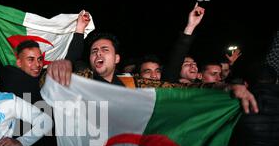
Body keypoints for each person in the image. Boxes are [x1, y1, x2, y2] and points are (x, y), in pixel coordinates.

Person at [0, 0, 89, 146]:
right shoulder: (7, 76)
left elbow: (70, 60)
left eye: (40, 59)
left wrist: (79, 29)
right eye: (30, 59)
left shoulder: (49, 77)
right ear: (18, 62)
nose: (37, 64)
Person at [46, 32, 258, 114]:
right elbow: (46, 90)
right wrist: (54, 70)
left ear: (117, 58)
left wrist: (227, 87)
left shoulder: (135, 85)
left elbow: (182, 88)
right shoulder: (80, 81)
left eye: (104, 50)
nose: (98, 53)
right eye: (94, 51)